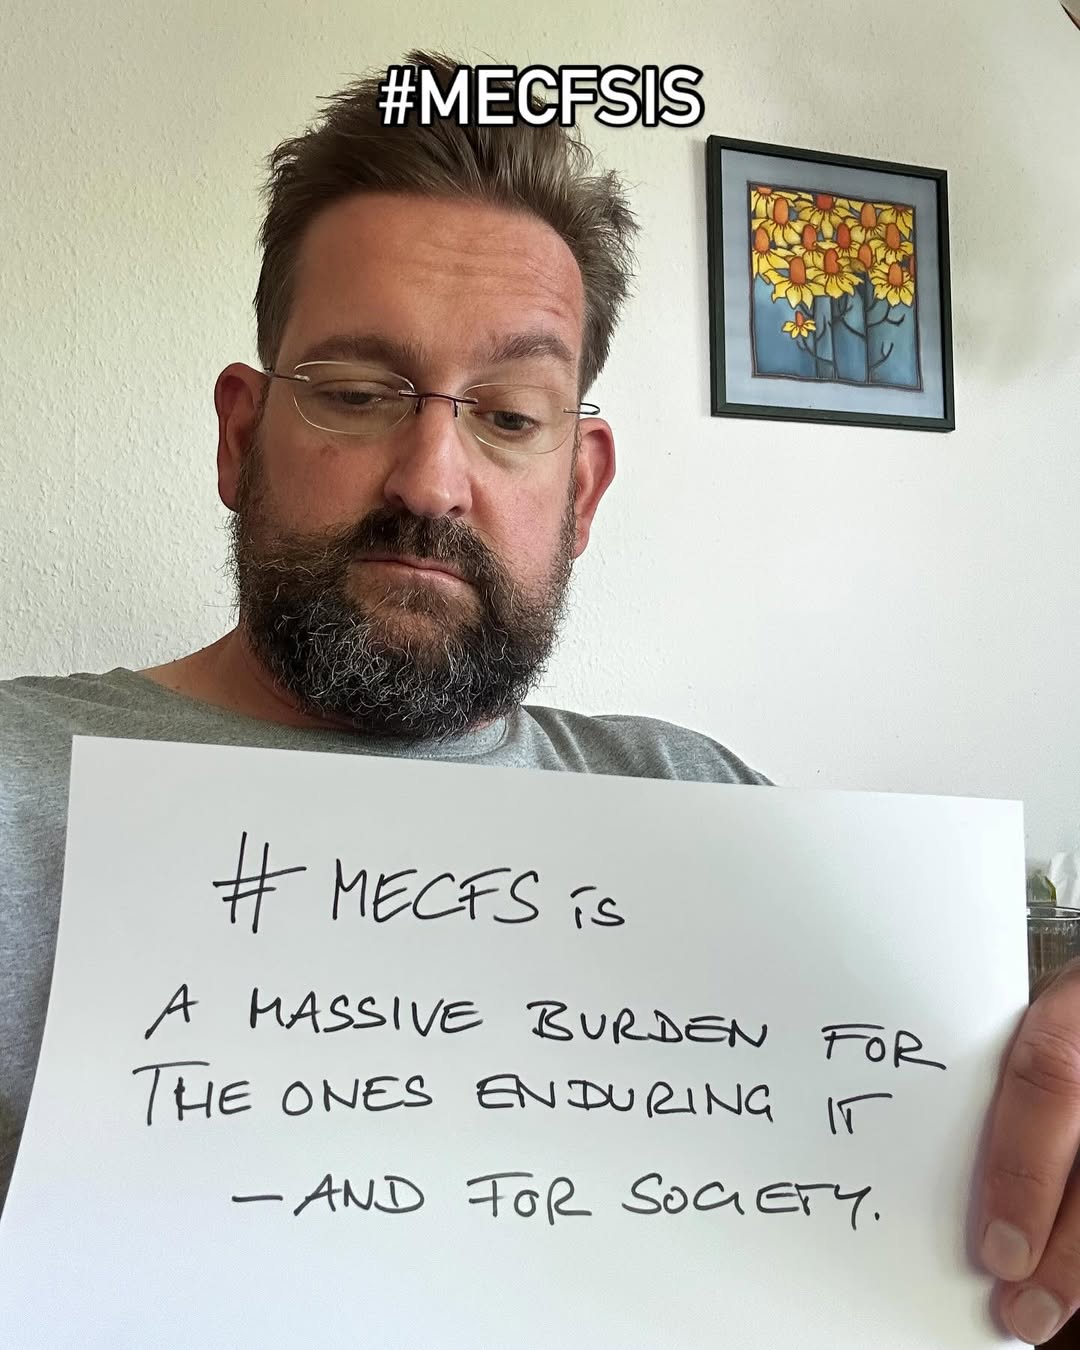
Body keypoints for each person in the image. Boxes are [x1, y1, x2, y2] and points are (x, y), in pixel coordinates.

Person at [0, 50, 1074, 1347]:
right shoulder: (15, 781)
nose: (431, 479)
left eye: (509, 415)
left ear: (583, 486)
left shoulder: (702, 805)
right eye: (356, 395)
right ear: (240, 436)